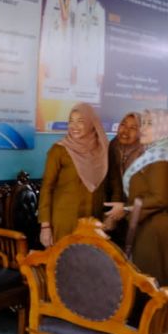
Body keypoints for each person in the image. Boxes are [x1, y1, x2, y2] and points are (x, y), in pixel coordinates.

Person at [104, 109, 168, 290]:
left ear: (164, 129)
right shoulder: (162, 153)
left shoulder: (160, 158)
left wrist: (126, 209)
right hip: (165, 226)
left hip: (159, 232)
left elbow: (160, 198)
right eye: (143, 123)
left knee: (159, 286)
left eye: (150, 124)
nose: (143, 128)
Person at [39, 102, 108, 247]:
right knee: (64, 262)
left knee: (90, 264)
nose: (74, 126)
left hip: (93, 218)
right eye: (71, 121)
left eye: (80, 121)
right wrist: (45, 227)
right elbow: (47, 188)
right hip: (66, 219)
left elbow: (111, 184)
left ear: (91, 123)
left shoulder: (102, 150)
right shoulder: (59, 150)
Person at [39, 0, 78, 98]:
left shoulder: (74, 1)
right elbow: (45, 32)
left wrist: (75, 65)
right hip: (52, 62)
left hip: (67, 64)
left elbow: (76, 37)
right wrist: (45, 62)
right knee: (49, 99)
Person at [73, 0, 105, 103]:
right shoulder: (79, 7)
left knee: (91, 104)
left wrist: (101, 71)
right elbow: (75, 38)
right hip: (79, 65)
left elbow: (101, 44)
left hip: (93, 66)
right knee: (77, 103)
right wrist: (73, 65)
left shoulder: (101, 11)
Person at [105, 112, 143, 204]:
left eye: (133, 128)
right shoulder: (114, 145)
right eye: (123, 124)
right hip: (117, 206)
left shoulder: (145, 152)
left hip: (138, 207)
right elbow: (114, 180)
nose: (125, 131)